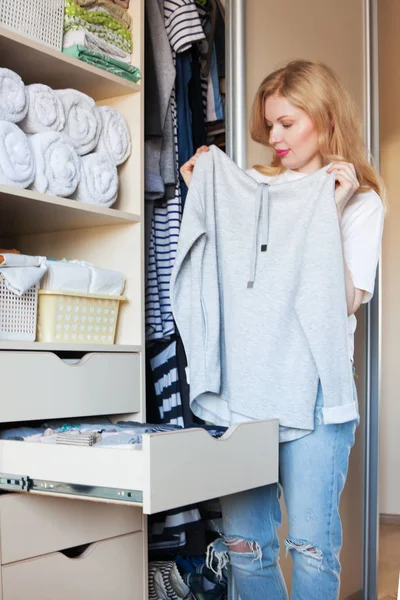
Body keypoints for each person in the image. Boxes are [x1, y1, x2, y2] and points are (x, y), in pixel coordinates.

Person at [179, 60, 385, 600]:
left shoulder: (361, 201)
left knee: (313, 547)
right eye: (270, 125)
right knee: (245, 545)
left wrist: (328, 214)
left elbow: (342, 301)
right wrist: (201, 193)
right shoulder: (248, 187)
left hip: (317, 391)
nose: (275, 137)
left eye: (287, 123)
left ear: (323, 116)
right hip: (246, 386)